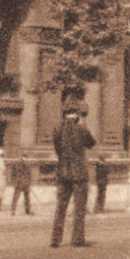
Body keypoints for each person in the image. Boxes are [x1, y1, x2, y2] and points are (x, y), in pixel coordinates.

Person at [50, 101, 96, 248]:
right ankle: (77, 239)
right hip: (79, 173)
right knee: (79, 208)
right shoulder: (82, 129)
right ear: (77, 115)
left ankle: (55, 239)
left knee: (61, 206)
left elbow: (57, 149)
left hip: (63, 172)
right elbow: (91, 144)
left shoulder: (57, 130)